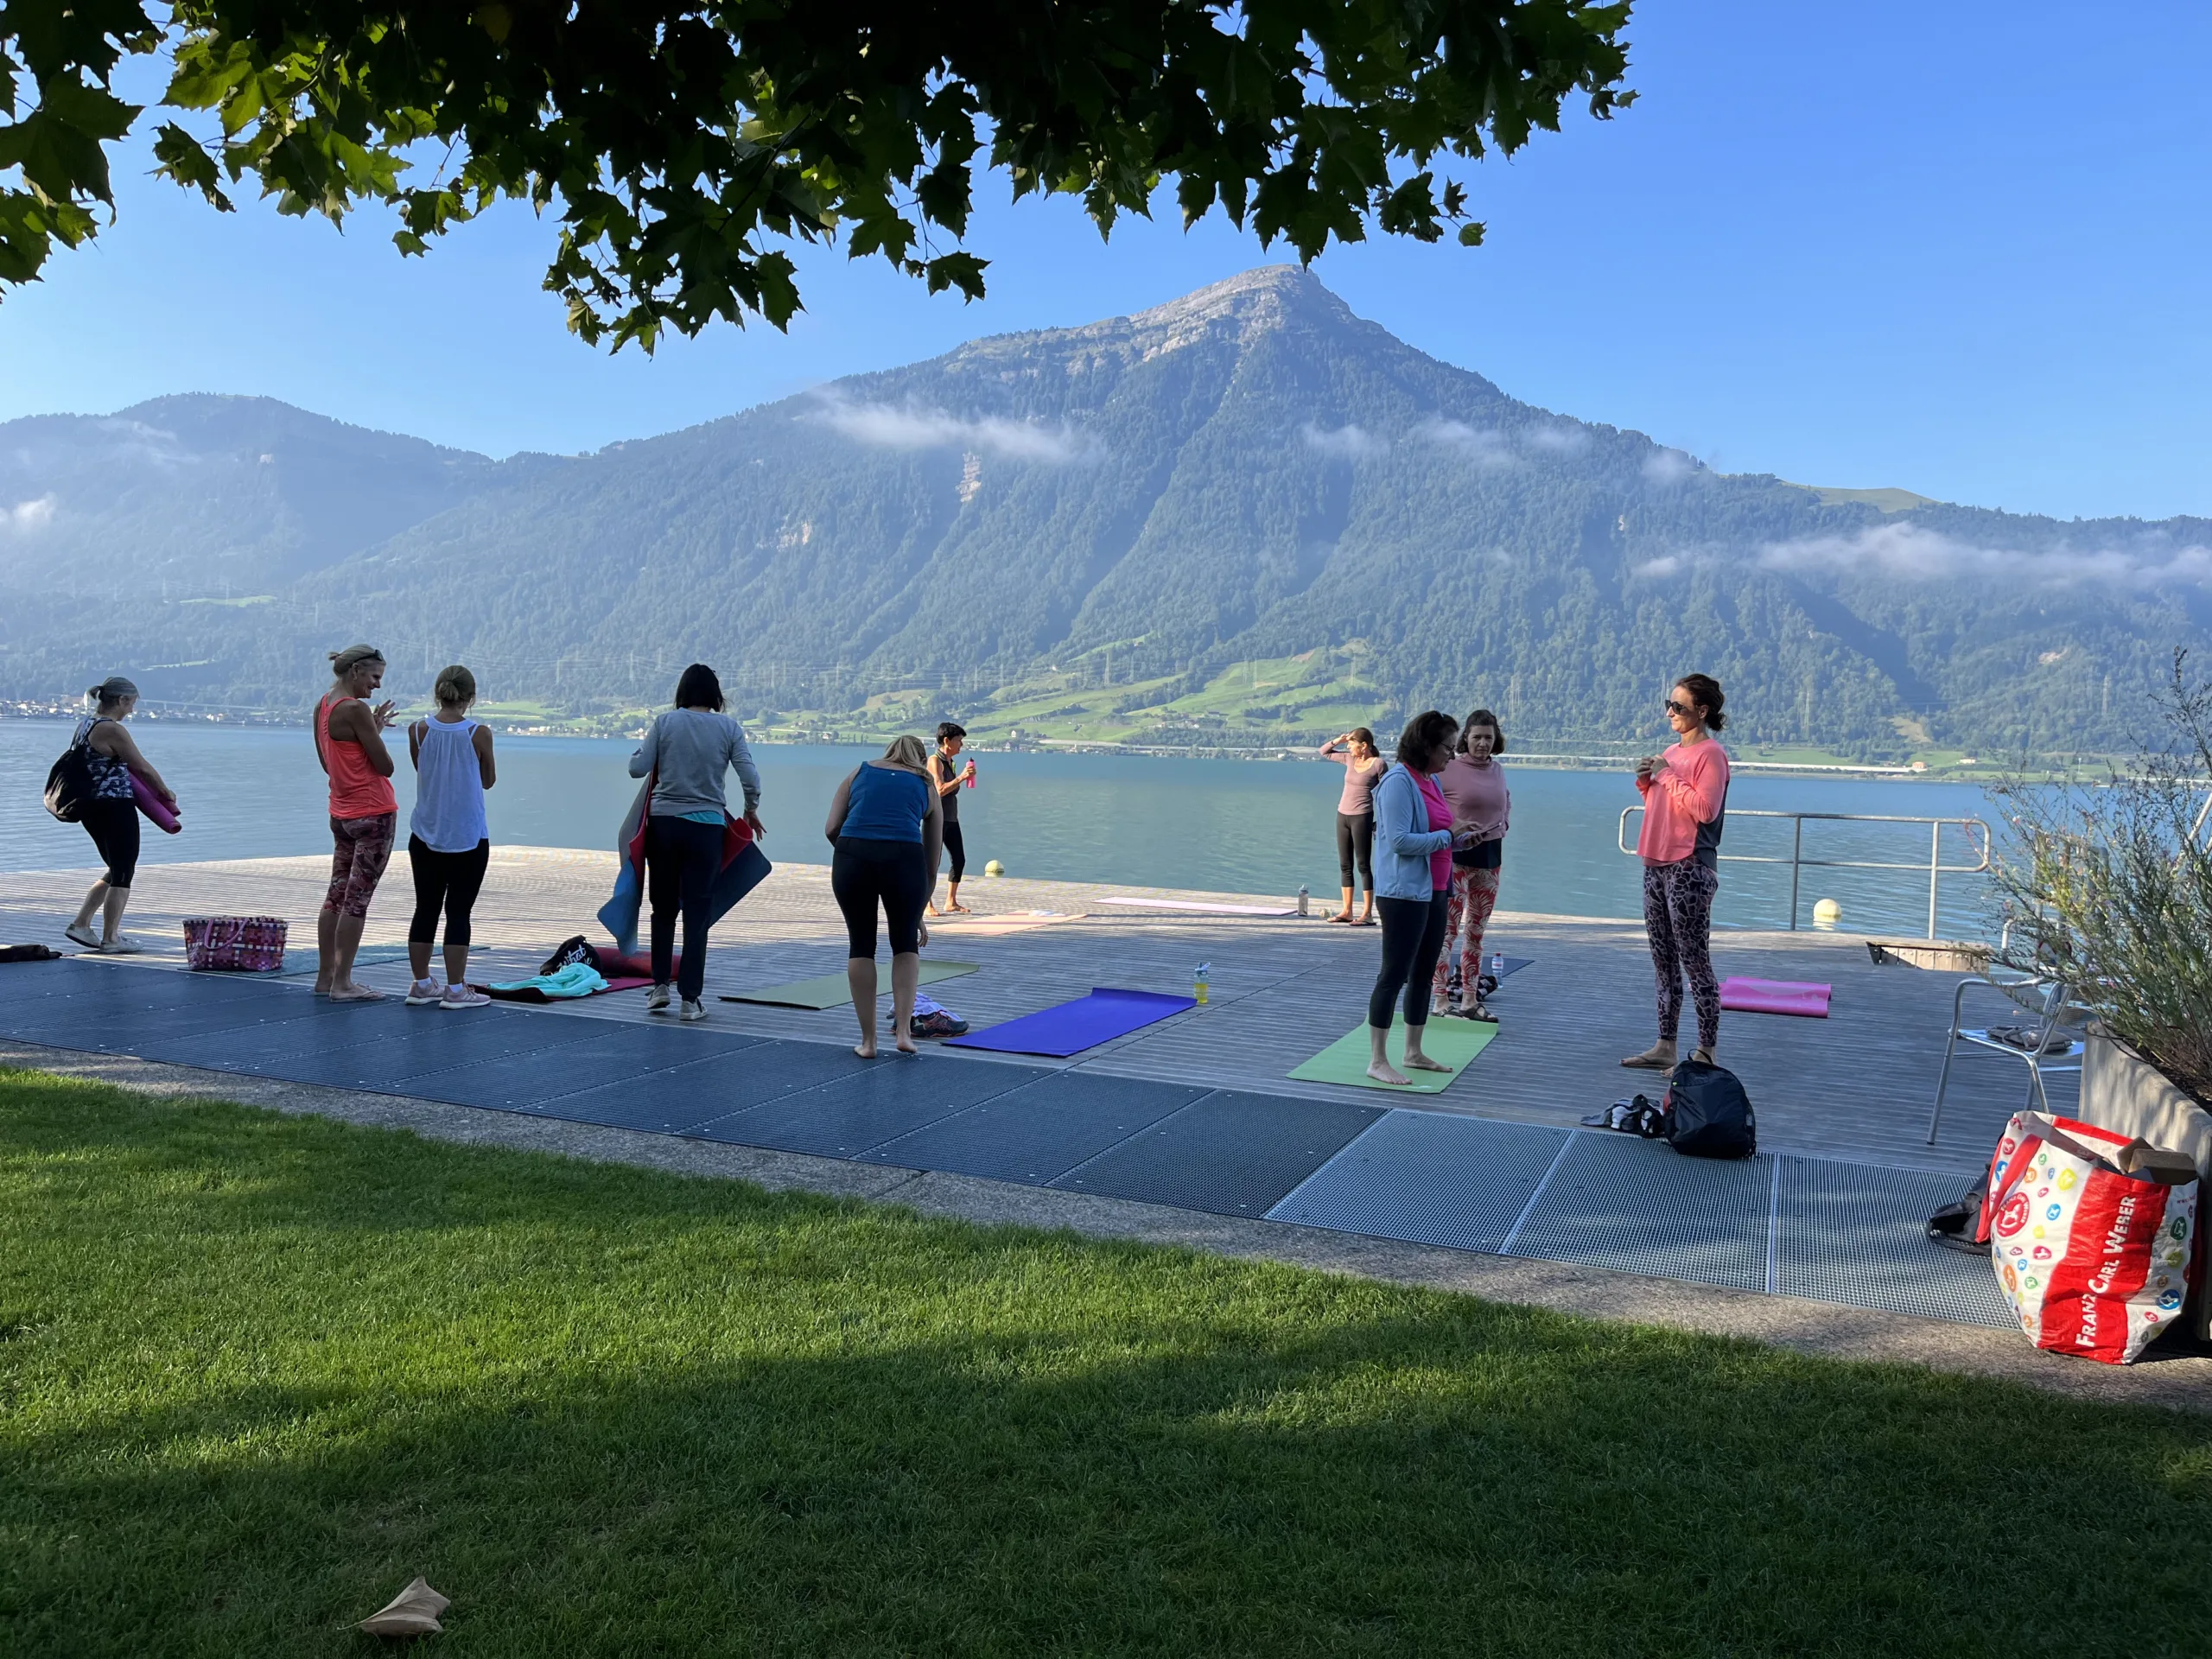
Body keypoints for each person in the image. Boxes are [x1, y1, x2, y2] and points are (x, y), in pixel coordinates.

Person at [628, 664, 764, 1021]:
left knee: (663, 908)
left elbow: (637, 768)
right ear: (715, 695)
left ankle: (659, 987)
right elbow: (750, 777)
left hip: (664, 827)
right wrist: (750, 809)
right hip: (706, 829)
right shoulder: (729, 728)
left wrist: (637, 755)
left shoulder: (665, 722)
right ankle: (690, 999)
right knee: (697, 913)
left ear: (683, 692)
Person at [1624, 673, 1732, 1071]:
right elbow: (1662, 804)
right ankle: (1665, 1044)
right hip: (1656, 863)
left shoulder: (1711, 755)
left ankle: (1706, 1050)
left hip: (1689, 866)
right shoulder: (1672, 751)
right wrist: (1645, 780)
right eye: (1668, 705)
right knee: (1663, 960)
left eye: (1679, 707)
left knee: (1694, 959)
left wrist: (1666, 773)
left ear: (1701, 711)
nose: (1670, 712)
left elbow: (1705, 810)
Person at [1365, 710, 1475, 1086]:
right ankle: (1378, 1059)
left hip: (1435, 889)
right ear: (1426, 746)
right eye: (1447, 747)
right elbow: (1398, 841)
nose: (1452, 755)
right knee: (1393, 974)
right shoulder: (1398, 781)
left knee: (1423, 974)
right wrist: (1447, 837)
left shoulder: (1430, 780)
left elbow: (1438, 827)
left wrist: (1460, 835)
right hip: (1403, 893)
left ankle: (1413, 1051)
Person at [825, 734, 944, 1058]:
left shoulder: (859, 772)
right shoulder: (925, 782)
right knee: (904, 943)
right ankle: (904, 1034)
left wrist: (856, 853)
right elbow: (931, 862)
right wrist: (917, 909)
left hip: (852, 854)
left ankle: (868, 1042)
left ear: (889, 752)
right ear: (920, 759)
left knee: (861, 944)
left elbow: (832, 827)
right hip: (904, 858)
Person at [61, 676, 177, 954]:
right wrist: (165, 793)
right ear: (122, 700)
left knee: (116, 868)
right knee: (124, 871)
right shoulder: (112, 729)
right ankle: (111, 938)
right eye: (131, 704)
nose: (131, 711)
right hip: (113, 806)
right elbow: (142, 768)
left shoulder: (85, 724)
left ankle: (81, 924)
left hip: (92, 807)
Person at [404, 664, 497, 1009]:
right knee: (458, 912)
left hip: (425, 832)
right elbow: (488, 780)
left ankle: (422, 983)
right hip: (468, 835)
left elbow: (422, 770)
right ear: (470, 698)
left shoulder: (417, 730)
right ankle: (456, 990)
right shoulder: (479, 733)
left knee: (425, 908)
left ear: (438, 692)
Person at [315, 645, 398, 1000]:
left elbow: (328, 763)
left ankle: (325, 978)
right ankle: (344, 983)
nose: (377, 685)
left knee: (336, 893)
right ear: (355, 672)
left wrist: (371, 729)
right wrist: (374, 731)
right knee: (357, 900)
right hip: (374, 814)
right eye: (374, 677)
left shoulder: (323, 705)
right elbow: (385, 766)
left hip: (341, 813)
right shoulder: (355, 709)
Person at [1433, 709, 1511, 1021]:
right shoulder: (1448, 768)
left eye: (1488, 738)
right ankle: (1440, 998)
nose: (1482, 744)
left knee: (1476, 933)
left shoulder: (1498, 770)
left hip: (1490, 858)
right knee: (1447, 932)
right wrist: (1454, 829)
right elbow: (1434, 807)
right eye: (1477, 737)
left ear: (1496, 740)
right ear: (1466, 737)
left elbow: (1505, 801)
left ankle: (1468, 998)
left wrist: (1503, 824)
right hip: (1454, 859)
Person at [1319, 728, 1386, 924]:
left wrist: (1380, 822)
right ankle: (1346, 910)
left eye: (1351, 743)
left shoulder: (1378, 764)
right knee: (1345, 865)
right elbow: (1324, 752)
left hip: (1362, 817)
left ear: (1364, 745)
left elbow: (1386, 795)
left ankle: (1367, 914)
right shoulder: (1349, 759)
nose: (1348, 747)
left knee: (1363, 866)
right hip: (1343, 816)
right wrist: (1338, 740)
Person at [926, 721, 976, 915]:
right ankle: (926, 903)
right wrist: (962, 777)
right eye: (959, 741)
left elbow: (951, 788)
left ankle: (951, 901)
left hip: (951, 818)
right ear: (947, 741)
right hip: (936, 818)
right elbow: (939, 789)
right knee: (932, 861)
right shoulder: (934, 760)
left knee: (959, 859)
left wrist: (961, 778)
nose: (961, 745)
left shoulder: (950, 762)